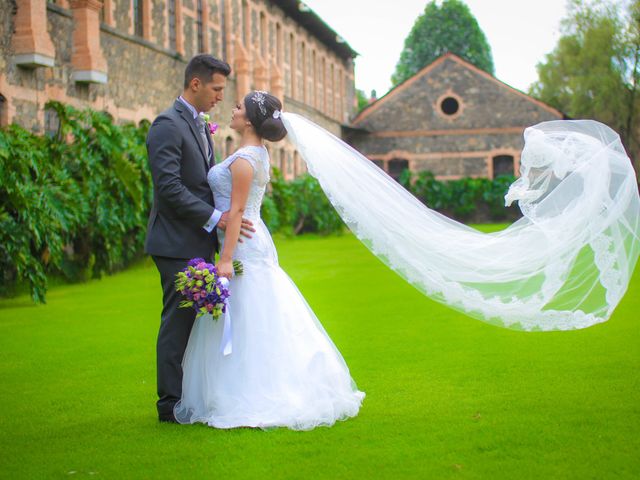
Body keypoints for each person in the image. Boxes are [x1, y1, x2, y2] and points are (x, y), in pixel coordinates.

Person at [174, 91, 365, 430]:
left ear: (248, 119)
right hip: (250, 236)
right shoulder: (255, 154)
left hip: (243, 244)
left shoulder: (246, 159)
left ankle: (255, 391)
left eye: (237, 107)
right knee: (254, 313)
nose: (232, 109)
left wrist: (225, 260)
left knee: (252, 313)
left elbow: (235, 212)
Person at [145, 55, 254, 423]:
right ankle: (170, 406)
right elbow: (169, 188)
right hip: (175, 243)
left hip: (198, 240)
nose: (221, 97)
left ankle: (190, 396)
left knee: (197, 324)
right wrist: (217, 218)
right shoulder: (166, 125)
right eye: (217, 89)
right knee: (178, 323)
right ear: (196, 84)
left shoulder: (199, 124)